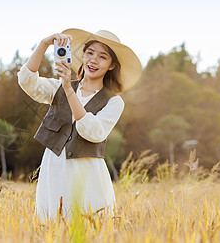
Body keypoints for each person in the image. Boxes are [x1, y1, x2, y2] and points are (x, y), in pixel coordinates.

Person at [17, 28, 142, 221]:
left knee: (89, 225)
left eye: (102, 57)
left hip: (87, 171)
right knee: (51, 224)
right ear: (82, 56)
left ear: (111, 65)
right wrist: (43, 44)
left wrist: (68, 89)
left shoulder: (114, 102)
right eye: (90, 53)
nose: (93, 60)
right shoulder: (59, 86)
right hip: (54, 167)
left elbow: (94, 132)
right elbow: (27, 81)